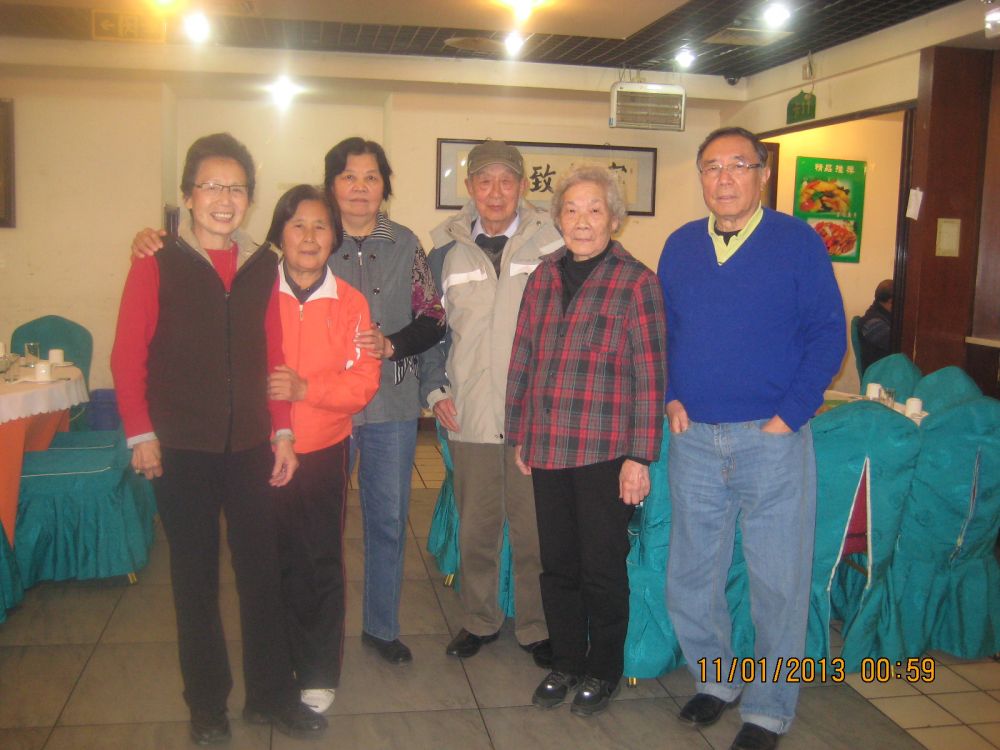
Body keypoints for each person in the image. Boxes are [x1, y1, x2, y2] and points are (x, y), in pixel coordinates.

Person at [130, 137, 445, 666]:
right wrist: (156, 238)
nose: (360, 187)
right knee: (303, 535)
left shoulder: (406, 242)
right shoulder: (292, 245)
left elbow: (433, 315)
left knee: (388, 522)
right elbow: (222, 256)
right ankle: (289, 643)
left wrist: (391, 345)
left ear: (385, 186)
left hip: (386, 403)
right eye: (349, 176)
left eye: (371, 177)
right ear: (331, 185)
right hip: (306, 420)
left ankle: (380, 628)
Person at [111, 133, 327, 745]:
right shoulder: (156, 262)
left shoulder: (263, 265)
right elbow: (127, 354)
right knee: (194, 580)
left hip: (252, 446)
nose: (224, 199)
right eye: (211, 186)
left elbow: (273, 354)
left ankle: (270, 695)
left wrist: (282, 430)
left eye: (236, 188)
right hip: (181, 449)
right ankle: (206, 705)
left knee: (262, 573)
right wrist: (140, 432)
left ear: (250, 199)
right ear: (188, 195)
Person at [657, 127, 845, 750]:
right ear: (701, 177)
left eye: (738, 165)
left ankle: (767, 710)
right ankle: (717, 679)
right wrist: (670, 395)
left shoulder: (798, 242)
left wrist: (788, 416)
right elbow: (661, 333)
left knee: (778, 584)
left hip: (773, 441)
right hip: (693, 438)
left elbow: (827, 335)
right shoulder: (681, 245)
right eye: (712, 166)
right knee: (691, 575)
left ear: (763, 173)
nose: (725, 178)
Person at [505, 166, 666, 716]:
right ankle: (568, 660)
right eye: (571, 209)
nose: (582, 220)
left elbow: (650, 376)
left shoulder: (637, 283)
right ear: (558, 218)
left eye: (594, 209)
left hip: (605, 451)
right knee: (557, 564)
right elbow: (523, 357)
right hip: (549, 444)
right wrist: (519, 433)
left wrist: (640, 456)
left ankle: (604, 668)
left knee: (602, 567)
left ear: (613, 219)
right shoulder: (543, 277)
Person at [421, 140, 562, 667]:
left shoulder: (554, 244)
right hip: (472, 412)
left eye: (506, 181)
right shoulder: (445, 251)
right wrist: (435, 390)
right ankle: (479, 619)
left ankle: (536, 626)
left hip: (534, 419)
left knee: (534, 533)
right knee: (477, 528)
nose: (496, 192)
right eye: (485, 181)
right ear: (470, 188)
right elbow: (429, 330)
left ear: (523, 186)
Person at [264, 185, 381, 714]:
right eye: (298, 225)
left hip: (324, 452)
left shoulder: (351, 303)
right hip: (261, 451)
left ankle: (316, 669)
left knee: (318, 560)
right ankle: (272, 663)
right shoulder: (256, 295)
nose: (309, 237)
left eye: (320, 226)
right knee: (266, 560)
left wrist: (306, 390)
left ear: (334, 237)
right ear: (280, 234)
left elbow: (363, 383)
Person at [858, 278, 893, 373]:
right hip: (880, 375)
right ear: (891, 301)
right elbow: (897, 345)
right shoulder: (872, 323)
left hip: (887, 370)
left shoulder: (883, 316)